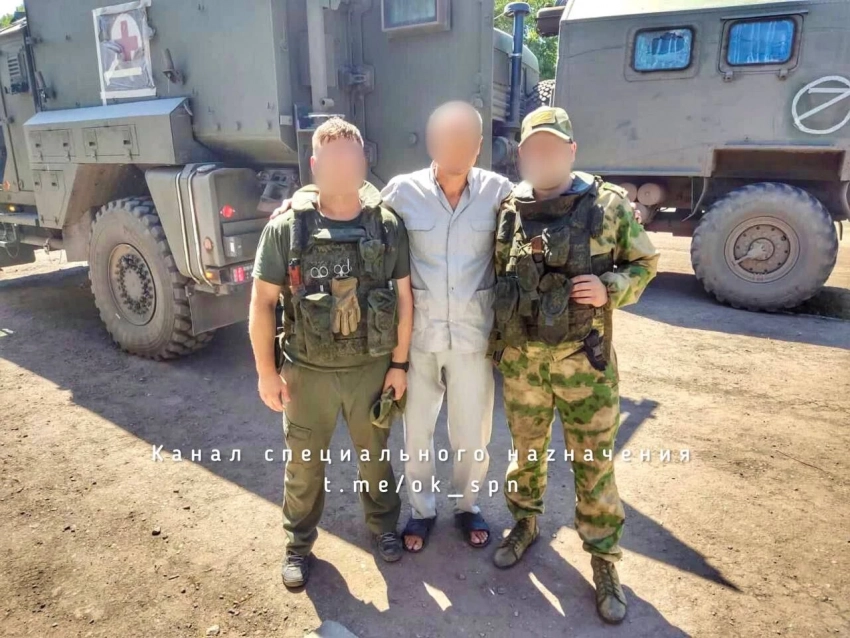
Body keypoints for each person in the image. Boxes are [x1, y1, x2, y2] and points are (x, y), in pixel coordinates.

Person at [272, 102, 513, 553]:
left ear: (480, 146)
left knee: (472, 434)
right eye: (447, 138)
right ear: (432, 143)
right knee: (416, 432)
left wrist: (617, 204)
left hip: (472, 336)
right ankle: (422, 511)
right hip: (417, 337)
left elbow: (543, 199)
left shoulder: (499, 192)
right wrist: (301, 200)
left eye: (466, 140)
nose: (457, 148)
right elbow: (347, 197)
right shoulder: (403, 191)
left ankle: (467, 506)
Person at [488, 106, 659, 625]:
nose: (543, 156)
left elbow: (645, 261)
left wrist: (610, 288)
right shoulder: (509, 209)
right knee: (525, 455)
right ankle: (524, 523)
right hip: (524, 365)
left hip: (585, 364)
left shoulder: (606, 206)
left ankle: (604, 559)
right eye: (533, 149)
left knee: (594, 464)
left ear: (571, 151)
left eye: (552, 147)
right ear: (522, 155)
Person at [249, 117, 414, 589]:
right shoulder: (287, 229)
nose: (342, 167)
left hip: (370, 369)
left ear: (364, 161)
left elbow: (405, 299)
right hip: (308, 372)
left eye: (350, 157)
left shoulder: (386, 226)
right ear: (315, 164)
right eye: (332, 158)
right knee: (303, 465)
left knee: (376, 458)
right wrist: (266, 372)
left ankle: (383, 527)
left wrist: (399, 364)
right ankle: (298, 544)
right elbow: (262, 302)